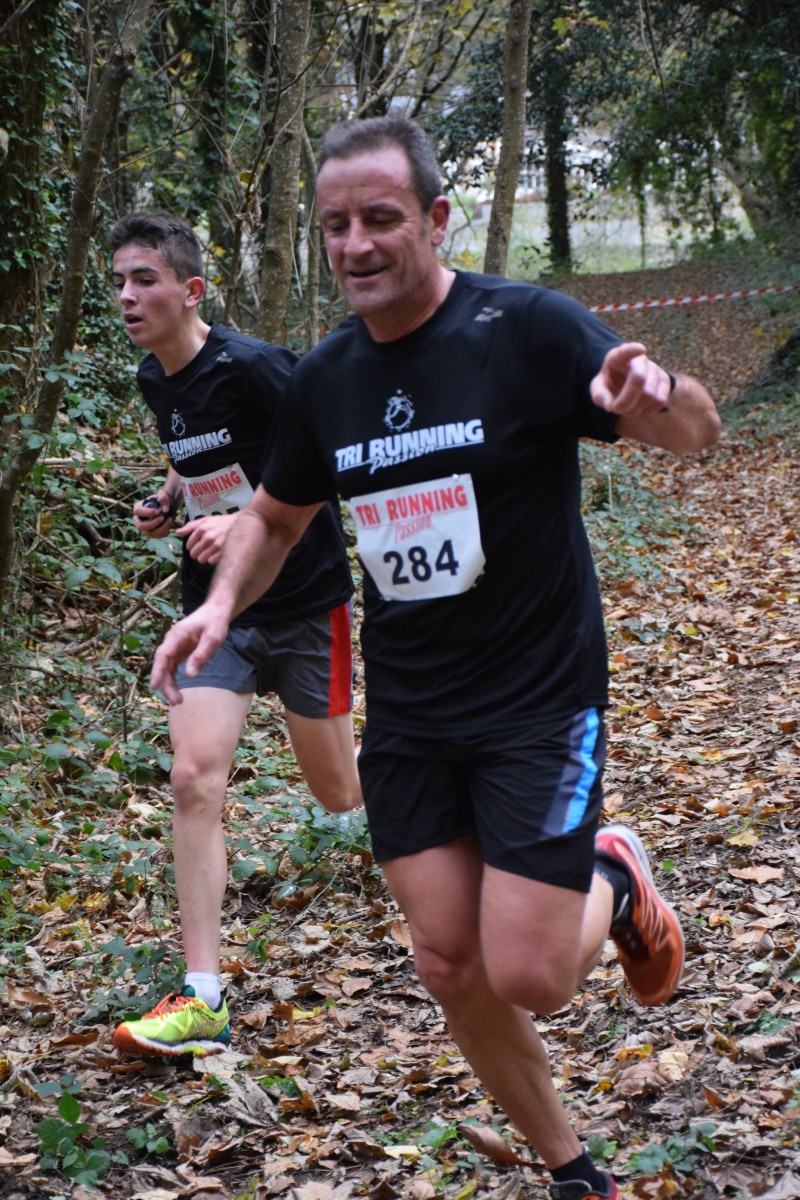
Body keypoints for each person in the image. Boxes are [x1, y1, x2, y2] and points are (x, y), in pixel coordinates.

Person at [149, 119, 721, 1199]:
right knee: (448, 961)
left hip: (537, 698)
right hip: (412, 711)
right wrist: (219, 607)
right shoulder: (326, 377)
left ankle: (614, 874)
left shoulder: (525, 328)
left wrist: (659, 396)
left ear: (436, 218)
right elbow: (274, 518)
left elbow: (695, 431)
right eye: (335, 225)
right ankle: (574, 1173)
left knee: (531, 973)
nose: (355, 244)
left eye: (380, 218)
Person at [108, 212, 361, 1059]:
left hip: (305, 603)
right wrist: (170, 501)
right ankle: (203, 995)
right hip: (215, 610)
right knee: (191, 777)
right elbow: (192, 459)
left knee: (340, 794)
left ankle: (453, 790)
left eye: (144, 279)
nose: (127, 295)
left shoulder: (256, 367)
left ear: (191, 290)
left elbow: (330, 462)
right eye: (118, 281)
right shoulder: (156, 379)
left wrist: (248, 520)